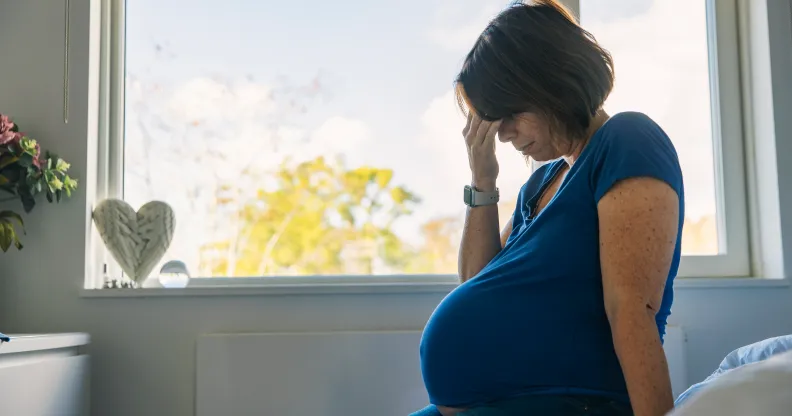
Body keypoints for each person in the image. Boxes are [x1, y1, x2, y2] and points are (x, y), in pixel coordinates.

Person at [412, 1, 684, 415]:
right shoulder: (540, 184)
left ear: (552, 83)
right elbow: (475, 284)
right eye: (492, 121)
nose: (502, 136)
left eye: (509, 115)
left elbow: (630, 308)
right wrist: (483, 181)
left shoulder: (626, 140)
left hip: (576, 403)